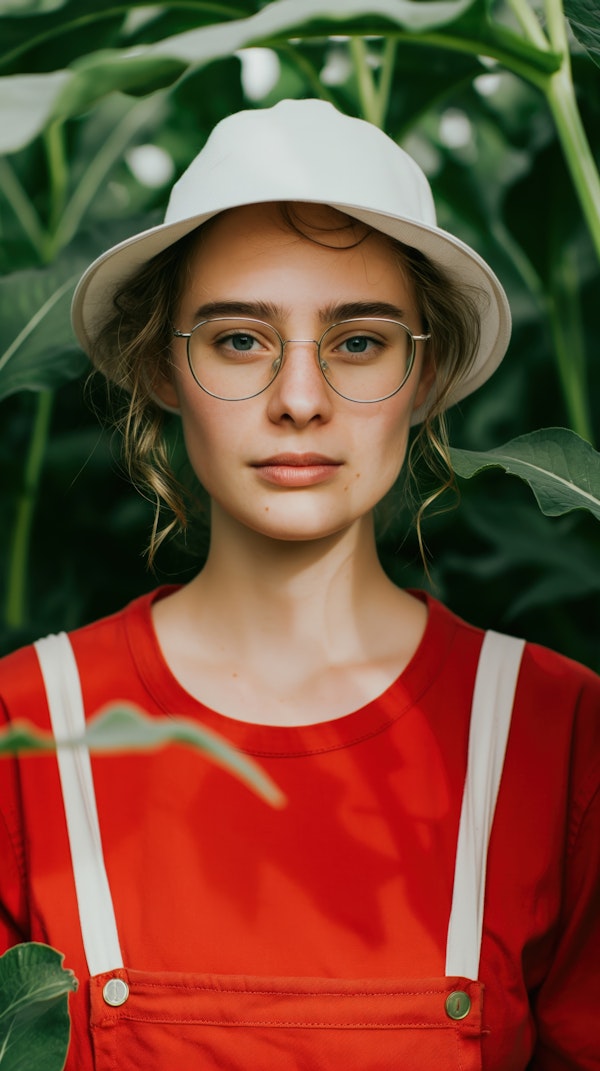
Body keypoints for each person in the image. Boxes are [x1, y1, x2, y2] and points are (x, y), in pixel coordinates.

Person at [0, 99, 598, 1071]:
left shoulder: (555, 731)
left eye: (358, 342)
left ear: (426, 371)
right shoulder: (25, 728)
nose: (300, 399)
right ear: (163, 364)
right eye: (240, 339)